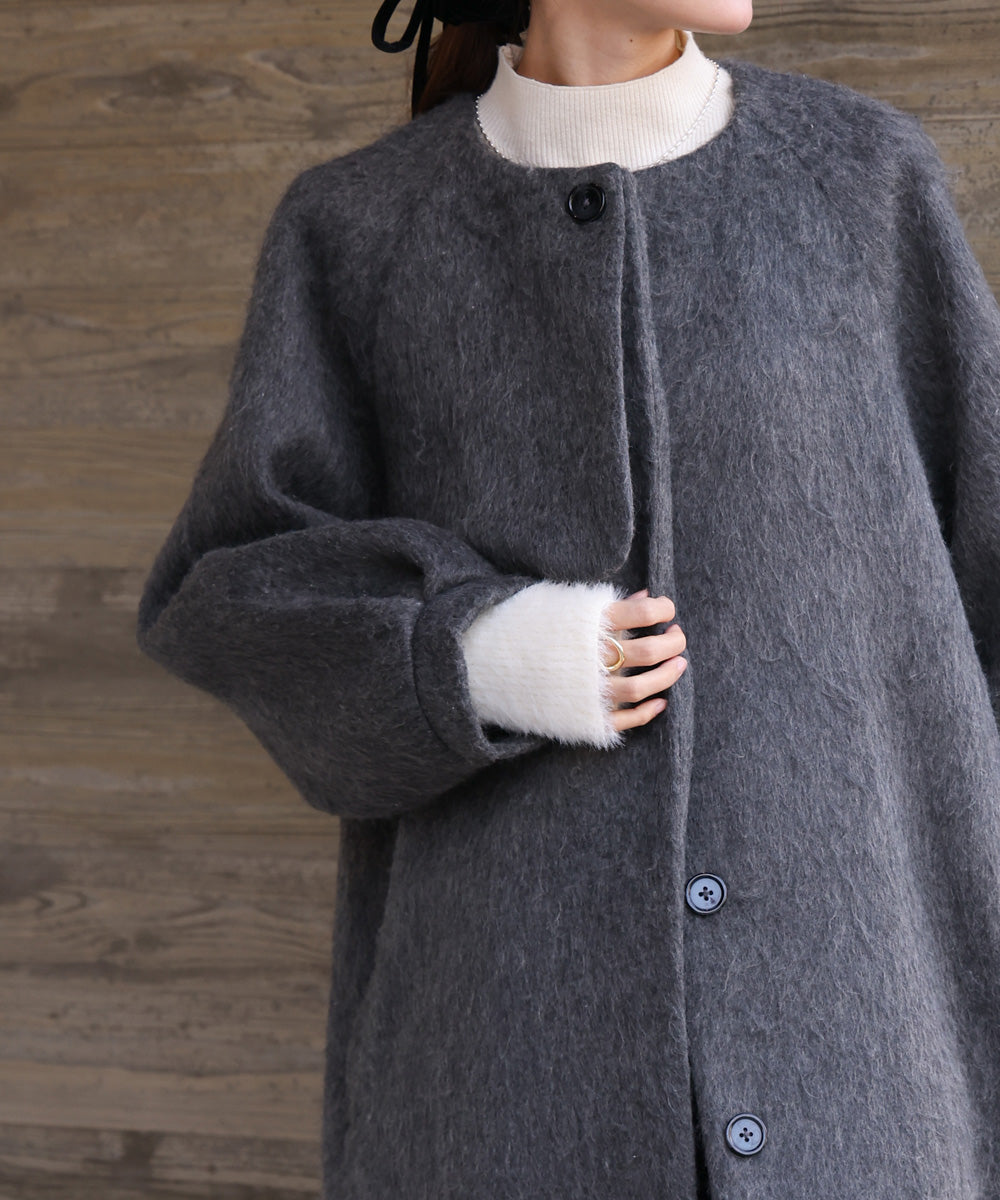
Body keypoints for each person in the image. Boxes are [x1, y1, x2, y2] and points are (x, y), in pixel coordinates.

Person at [136, 1, 1000, 1196]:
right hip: (500, 1075)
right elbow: (228, 589)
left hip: (870, 1061)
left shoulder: (861, 181)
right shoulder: (358, 230)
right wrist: (481, 656)